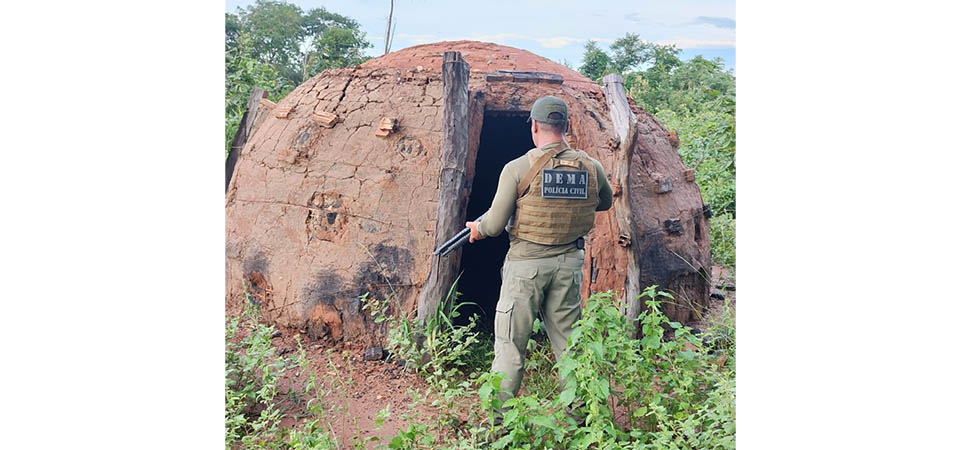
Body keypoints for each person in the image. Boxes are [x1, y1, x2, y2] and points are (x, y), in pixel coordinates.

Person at [465, 95, 613, 408]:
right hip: (568, 265)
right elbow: (604, 202)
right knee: (570, 345)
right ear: (567, 126)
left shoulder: (517, 168)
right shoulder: (591, 166)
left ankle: (497, 424)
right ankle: (582, 418)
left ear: (534, 126)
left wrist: (477, 228)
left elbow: (493, 224)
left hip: (525, 268)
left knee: (510, 346)